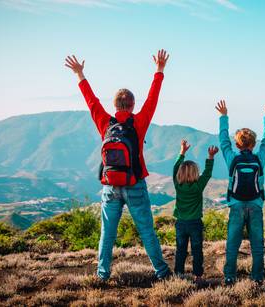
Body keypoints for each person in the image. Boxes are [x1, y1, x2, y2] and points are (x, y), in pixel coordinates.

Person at [64, 50, 172, 281]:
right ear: (132, 105)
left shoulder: (105, 123)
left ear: (114, 105)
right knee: (146, 232)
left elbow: (91, 102)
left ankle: (102, 275)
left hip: (110, 186)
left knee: (107, 233)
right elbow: (153, 99)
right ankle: (162, 272)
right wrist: (159, 70)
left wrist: (80, 75)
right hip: (134, 184)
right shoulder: (139, 122)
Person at [215, 99, 265, 285]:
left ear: (238, 144)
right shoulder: (259, 158)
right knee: (257, 245)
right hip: (256, 204)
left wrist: (223, 117)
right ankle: (257, 278)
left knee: (232, 244)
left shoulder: (232, 158)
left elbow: (223, 141)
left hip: (236, 204)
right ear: (253, 144)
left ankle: (229, 277)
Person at [172, 140, 219, 282]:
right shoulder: (198, 186)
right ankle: (198, 275)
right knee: (197, 250)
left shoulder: (177, 184)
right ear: (195, 173)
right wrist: (211, 157)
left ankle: (178, 274)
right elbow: (207, 173)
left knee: (181, 250)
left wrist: (182, 152)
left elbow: (175, 168)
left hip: (180, 223)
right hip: (195, 224)